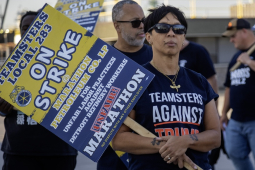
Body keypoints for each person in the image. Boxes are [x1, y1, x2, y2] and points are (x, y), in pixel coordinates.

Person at [112, 4, 221, 170]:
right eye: (162, 28)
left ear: (183, 36)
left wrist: (185, 140)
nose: (171, 33)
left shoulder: (199, 81)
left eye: (178, 29)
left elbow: (215, 136)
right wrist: (167, 145)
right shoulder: (135, 81)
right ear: (148, 36)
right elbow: (119, 140)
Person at [0, 11, 77, 170]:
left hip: (60, 151)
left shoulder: (67, 61)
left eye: (35, 27)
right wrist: (2, 108)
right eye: (25, 28)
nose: (29, 32)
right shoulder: (10, 64)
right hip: (18, 151)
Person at [97, 1, 153, 170]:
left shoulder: (158, 57)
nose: (142, 26)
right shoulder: (101, 61)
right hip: (112, 158)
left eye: (145, 21)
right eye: (136, 22)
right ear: (117, 26)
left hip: (152, 157)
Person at [220, 18, 255, 170]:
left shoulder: (246, 57)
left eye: (233, 35)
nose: (231, 40)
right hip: (236, 119)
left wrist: (250, 62)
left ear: (245, 31)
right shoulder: (236, 57)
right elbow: (229, 87)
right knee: (233, 152)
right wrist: (223, 112)